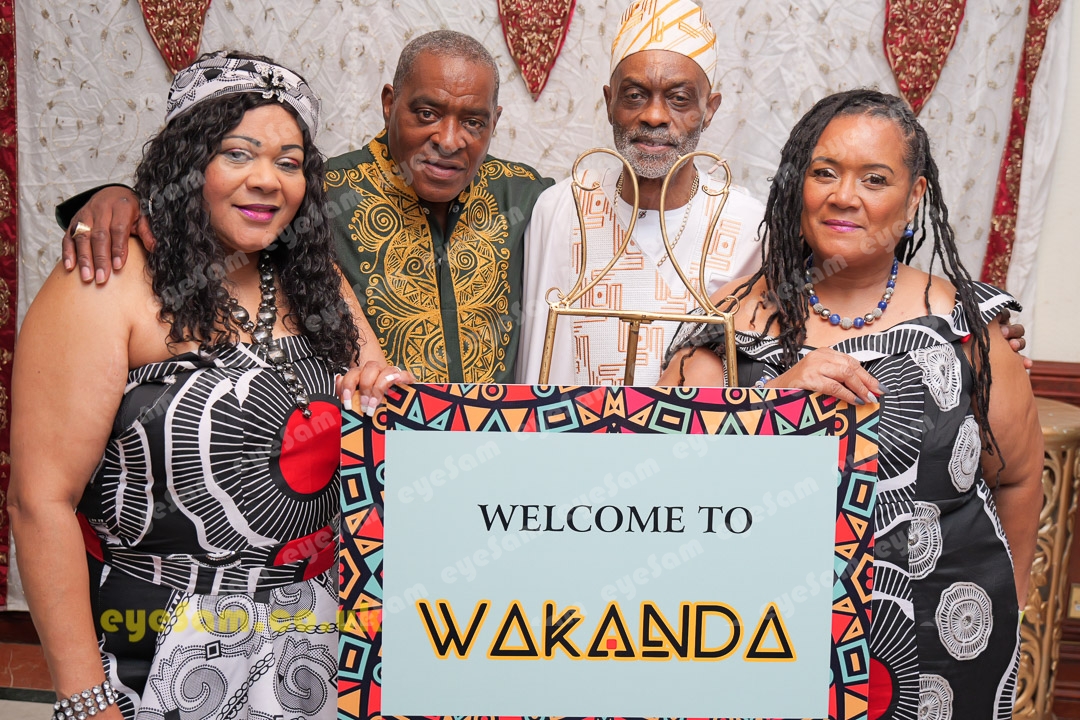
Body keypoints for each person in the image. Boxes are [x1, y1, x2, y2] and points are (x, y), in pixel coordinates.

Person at [10, 51, 405, 719]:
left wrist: (386, 393)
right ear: (188, 164)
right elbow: (39, 502)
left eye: (288, 163)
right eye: (238, 154)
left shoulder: (314, 280)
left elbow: (379, 402)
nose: (266, 180)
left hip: (315, 637)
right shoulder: (107, 278)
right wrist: (87, 702)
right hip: (157, 643)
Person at [660, 89, 1043, 717]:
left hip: (943, 652)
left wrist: (1011, 607)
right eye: (825, 172)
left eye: (875, 178)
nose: (844, 196)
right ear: (797, 186)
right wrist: (773, 407)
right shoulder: (726, 325)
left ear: (914, 199)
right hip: (763, 638)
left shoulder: (970, 328)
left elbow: (1019, 478)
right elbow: (670, 489)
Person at [56, 31, 553, 384]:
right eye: (426, 113)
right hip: (368, 461)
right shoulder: (320, 194)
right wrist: (117, 198)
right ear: (389, 103)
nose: (448, 140)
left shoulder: (527, 197)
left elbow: (596, 215)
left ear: (494, 121)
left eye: (474, 122)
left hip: (501, 451)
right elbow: (205, 205)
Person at [518, 0, 765, 386]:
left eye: (679, 98)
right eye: (634, 95)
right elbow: (535, 364)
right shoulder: (562, 208)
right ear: (609, 102)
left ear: (709, 110)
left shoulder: (750, 226)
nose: (654, 116)